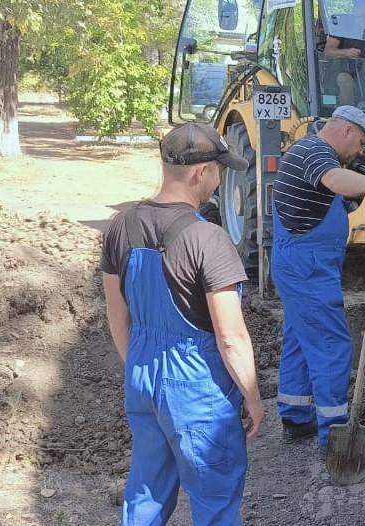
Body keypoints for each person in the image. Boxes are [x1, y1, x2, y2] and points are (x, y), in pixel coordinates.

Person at [101, 122, 264, 525]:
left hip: (141, 375)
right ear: (199, 173)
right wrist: (253, 397)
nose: (220, 177)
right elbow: (230, 337)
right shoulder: (208, 239)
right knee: (216, 500)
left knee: (146, 493)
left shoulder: (120, 226)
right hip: (195, 385)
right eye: (218, 169)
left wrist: (140, 366)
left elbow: (116, 315)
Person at [271, 106, 365, 455]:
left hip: (300, 263)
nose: (359, 151)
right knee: (331, 345)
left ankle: (296, 417)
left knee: (301, 341)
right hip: (308, 267)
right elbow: (333, 181)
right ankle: (334, 436)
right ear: (346, 130)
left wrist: (361, 179)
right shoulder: (313, 152)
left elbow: (339, 198)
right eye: (360, 143)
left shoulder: (311, 153)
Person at [321, 0, 365, 105]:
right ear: (354, 9)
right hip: (344, 72)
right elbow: (328, 51)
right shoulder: (342, 25)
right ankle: (347, 116)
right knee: (345, 80)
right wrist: (346, 53)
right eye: (361, 8)